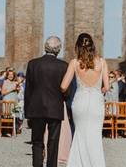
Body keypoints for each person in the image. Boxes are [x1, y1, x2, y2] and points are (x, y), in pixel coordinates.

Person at [61, 33, 109, 167]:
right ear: (92, 46)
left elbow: (64, 86)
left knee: (80, 134)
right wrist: (98, 91)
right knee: (94, 136)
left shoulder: (74, 63)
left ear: (77, 46)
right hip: (96, 102)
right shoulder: (102, 62)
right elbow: (107, 86)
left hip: (80, 101)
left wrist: (67, 93)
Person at [25, 36, 68, 167]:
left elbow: (28, 90)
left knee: (37, 142)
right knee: (53, 142)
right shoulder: (63, 66)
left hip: (36, 108)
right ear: (59, 49)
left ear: (45, 47)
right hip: (55, 109)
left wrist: (27, 112)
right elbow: (67, 91)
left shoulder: (33, 64)